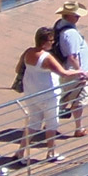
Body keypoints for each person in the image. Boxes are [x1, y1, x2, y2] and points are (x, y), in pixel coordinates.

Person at [15, 27, 68, 165]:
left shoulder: (28, 52)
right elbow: (63, 73)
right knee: (52, 122)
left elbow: (17, 69)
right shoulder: (46, 57)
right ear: (44, 42)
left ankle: (21, 151)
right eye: (51, 40)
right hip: (48, 95)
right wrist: (80, 73)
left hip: (31, 93)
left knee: (33, 123)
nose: (53, 42)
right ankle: (51, 152)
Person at [53, 1, 88, 138]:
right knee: (78, 100)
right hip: (74, 73)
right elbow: (72, 56)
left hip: (67, 71)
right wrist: (81, 71)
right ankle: (79, 128)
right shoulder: (70, 33)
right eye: (75, 15)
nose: (78, 17)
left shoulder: (59, 25)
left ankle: (51, 124)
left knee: (63, 99)